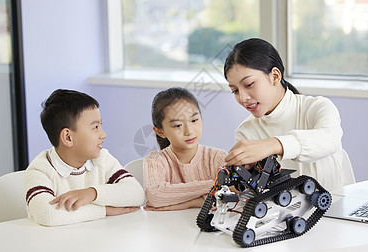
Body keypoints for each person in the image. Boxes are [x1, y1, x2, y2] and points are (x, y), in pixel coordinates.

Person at [223, 38, 355, 192]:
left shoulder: (317, 107)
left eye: (249, 84)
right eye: (235, 90)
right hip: (282, 215)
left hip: (335, 209)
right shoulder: (246, 132)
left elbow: (329, 139)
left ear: (275, 76)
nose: (243, 98)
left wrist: (273, 145)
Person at [24, 89, 145, 226]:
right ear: (68, 137)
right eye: (95, 127)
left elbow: (136, 194)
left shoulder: (102, 158)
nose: (103, 134)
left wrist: (92, 194)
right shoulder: (40, 170)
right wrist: (105, 210)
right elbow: (49, 215)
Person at [143, 87, 226, 211]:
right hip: (167, 226)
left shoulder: (217, 157)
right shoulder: (154, 160)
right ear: (160, 132)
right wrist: (214, 185)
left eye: (194, 120)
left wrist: (188, 203)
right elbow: (156, 196)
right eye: (178, 125)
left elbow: (234, 193)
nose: (189, 131)